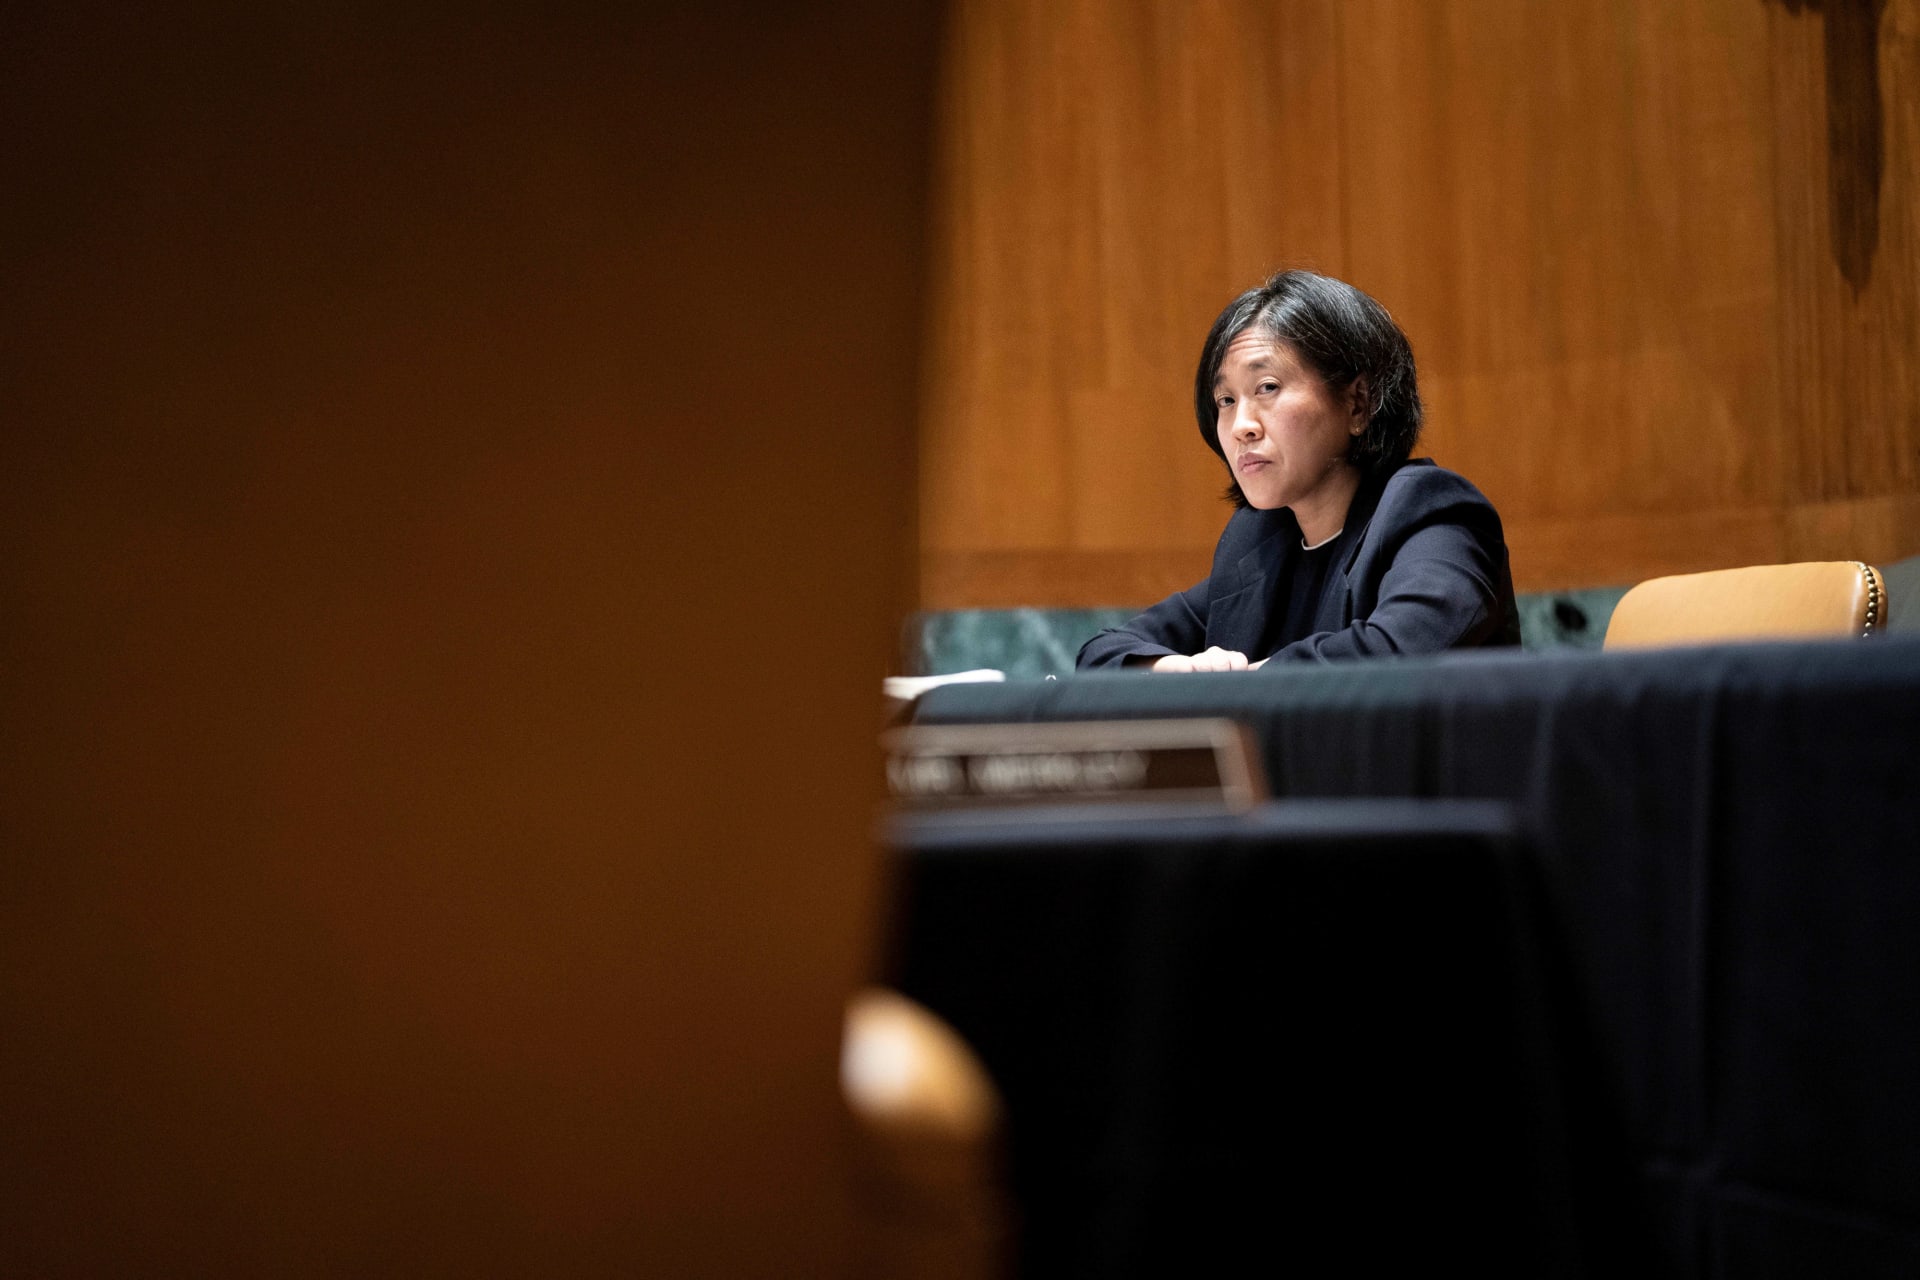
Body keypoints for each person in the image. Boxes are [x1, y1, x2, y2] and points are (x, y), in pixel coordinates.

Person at [1077, 269, 1519, 671]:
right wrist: (1178, 673)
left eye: (1267, 388)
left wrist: (1237, 685)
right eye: (1226, 400)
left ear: (1357, 404)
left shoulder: (1430, 513)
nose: (1242, 426)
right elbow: (1102, 655)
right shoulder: (1258, 544)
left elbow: (1397, 650)